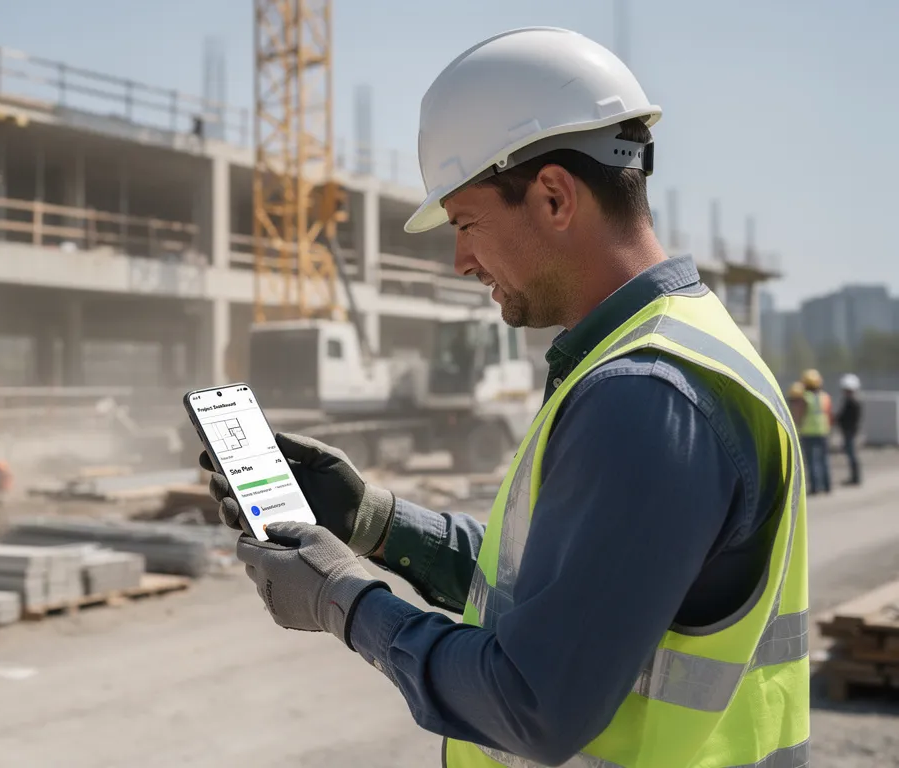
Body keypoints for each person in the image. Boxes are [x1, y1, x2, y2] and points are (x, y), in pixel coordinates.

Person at [203, 28, 807, 767]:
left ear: (554, 195)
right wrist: (380, 524)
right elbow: (558, 592)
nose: (460, 260)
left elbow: (532, 703)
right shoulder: (664, 352)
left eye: (464, 223)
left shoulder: (647, 396)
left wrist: (342, 600)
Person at [799, 368, 832, 495]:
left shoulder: (806, 397)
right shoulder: (825, 397)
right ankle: (827, 486)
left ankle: (815, 487)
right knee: (824, 459)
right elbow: (829, 414)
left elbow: (800, 415)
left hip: (809, 431)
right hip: (823, 430)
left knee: (812, 461)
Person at [838, 373, 863, 486]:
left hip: (850, 431)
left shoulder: (852, 402)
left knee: (852, 455)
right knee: (851, 454)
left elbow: (847, 418)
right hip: (849, 431)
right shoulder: (852, 401)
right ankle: (855, 477)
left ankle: (855, 478)